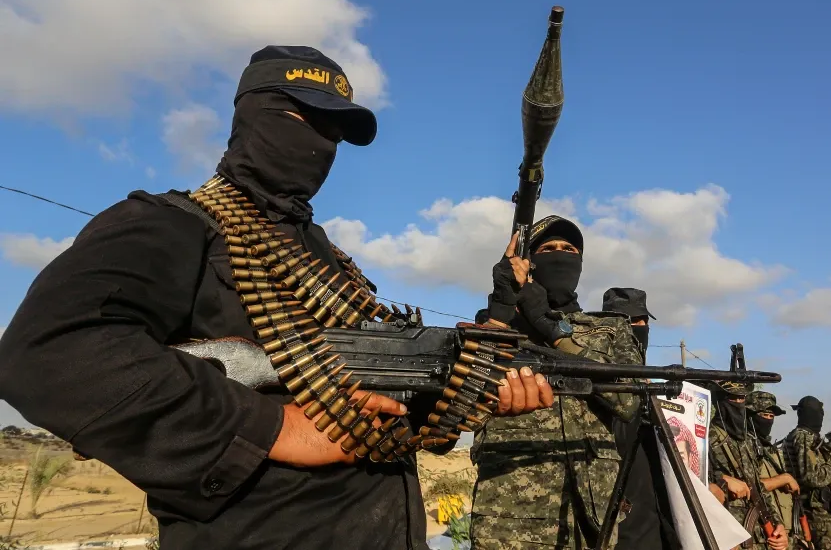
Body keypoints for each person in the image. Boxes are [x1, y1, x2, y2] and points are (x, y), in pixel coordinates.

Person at [0, 45, 549, 550]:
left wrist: (466, 392)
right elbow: (47, 353)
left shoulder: (329, 262)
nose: (319, 142)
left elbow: (374, 397)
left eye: (332, 132)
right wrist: (276, 430)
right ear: (250, 116)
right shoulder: (173, 224)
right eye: (299, 119)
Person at [470, 215, 645, 550]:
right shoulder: (496, 326)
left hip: (591, 513)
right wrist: (504, 310)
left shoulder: (608, 329)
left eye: (569, 249)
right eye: (548, 249)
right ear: (530, 263)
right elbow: (468, 396)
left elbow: (628, 400)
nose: (560, 254)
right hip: (508, 513)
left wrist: (549, 328)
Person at [601, 287, 679, 550]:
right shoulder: (596, 388)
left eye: (641, 321)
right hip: (622, 532)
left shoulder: (658, 390)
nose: (637, 327)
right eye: (627, 321)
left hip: (664, 529)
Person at [706, 381, 789, 550]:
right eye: (732, 398)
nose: (738, 403)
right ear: (719, 401)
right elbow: (694, 478)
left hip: (761, 535)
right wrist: (722, 479)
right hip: (729, 536)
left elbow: (759, 487)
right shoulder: (707, 436)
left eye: (741, 398)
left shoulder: (749, 441)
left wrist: (778, 524)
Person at [782, 396, 831, 550]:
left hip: (825, 516)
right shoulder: (803, 436)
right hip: (818, 516)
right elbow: (811, 476)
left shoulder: (810, 438)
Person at [745, 391, 804, 547]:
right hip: (759, 533)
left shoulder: (771, 450)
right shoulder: (744, 447)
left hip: (783, 533)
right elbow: (749, 486)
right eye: (764, 415)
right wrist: (783, 479)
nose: (769, 421)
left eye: (772, 416)